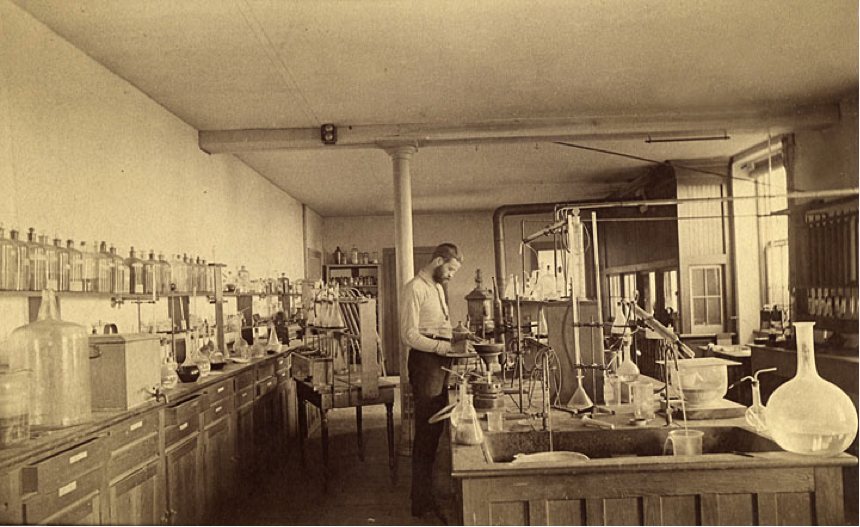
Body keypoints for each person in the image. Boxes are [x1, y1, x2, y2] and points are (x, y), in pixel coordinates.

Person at [400, 243, 475, 522]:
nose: (452, 275)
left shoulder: (437, 287)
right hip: (425, 364)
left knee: (435, 431)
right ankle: (420, 502)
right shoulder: (415, 288)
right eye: (451, 269)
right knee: (426, 432)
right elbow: (409, 335)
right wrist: (445, 349)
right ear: (439, 260)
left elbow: (433, 328)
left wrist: (456, 333)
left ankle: (427, 493)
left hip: (439, 363)